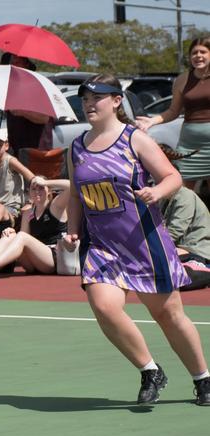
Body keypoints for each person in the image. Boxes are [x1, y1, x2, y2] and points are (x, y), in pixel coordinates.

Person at [63, 73, 210, 406]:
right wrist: (71, 228)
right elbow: (75, 194)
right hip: (102, 246)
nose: (89, 105)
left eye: (96, 98)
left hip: (144, 242)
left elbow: (173, 176)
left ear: (116, 101)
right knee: (103, 306)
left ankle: (203, 379)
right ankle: (149, 370)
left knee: (169, 316)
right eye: (85, 100)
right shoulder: (76, 147)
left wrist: (156, 191)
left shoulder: (135, 140)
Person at [0, 175, 70, 281]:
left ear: (49, 191)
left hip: (54, 259)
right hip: (34, 263)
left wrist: (46, 182)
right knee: (11, 235)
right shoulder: (27, 214)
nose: (37, 191)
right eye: (34, 189)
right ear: (29, 192)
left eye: (41, 188)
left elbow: (71, 186)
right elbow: (22, 241)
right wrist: (11, 233)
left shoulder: (56, 206)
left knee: (21, 236)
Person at [136, 37, 210, 191]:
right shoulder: (182, 80)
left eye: (203, 52)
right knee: (182, 193)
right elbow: (173, 111)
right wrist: (151, 121)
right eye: (194, 53)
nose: (198, 56)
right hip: (189, 144)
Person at [0, 53, 54, 156]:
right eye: (10, 64)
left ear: (26, 65)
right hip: (16, 152)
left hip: (36, 154)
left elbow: (44, 118)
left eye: (17, 62)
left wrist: (22, 111)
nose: (13, 67)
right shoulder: (11, 88)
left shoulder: (38, 85)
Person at [0, 128, 35, 220]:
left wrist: (30, 202)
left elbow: (33, 179)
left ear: (6, 146)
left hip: (12, 207)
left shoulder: (11, 162)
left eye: (0, 145)